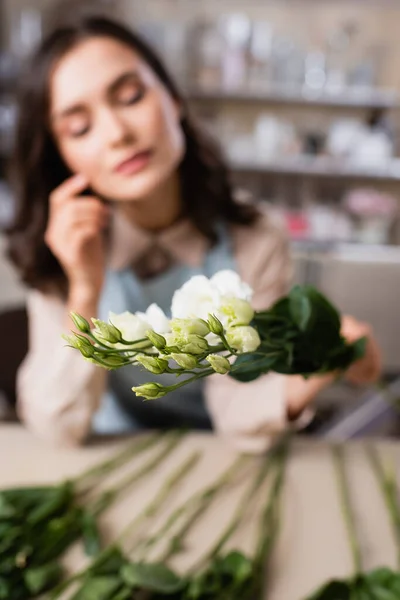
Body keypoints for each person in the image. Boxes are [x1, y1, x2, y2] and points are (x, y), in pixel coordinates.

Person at [6, 15, 381, 451]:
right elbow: (56, 427)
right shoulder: (66, 248)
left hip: (222, 459)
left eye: (130, 97)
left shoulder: (253, 239)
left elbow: (240, 405)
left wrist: (324, 363)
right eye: (79, 127)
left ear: (174, 100)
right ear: (61, 157)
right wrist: (85, 289)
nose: (117, 133)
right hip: (108, 454)